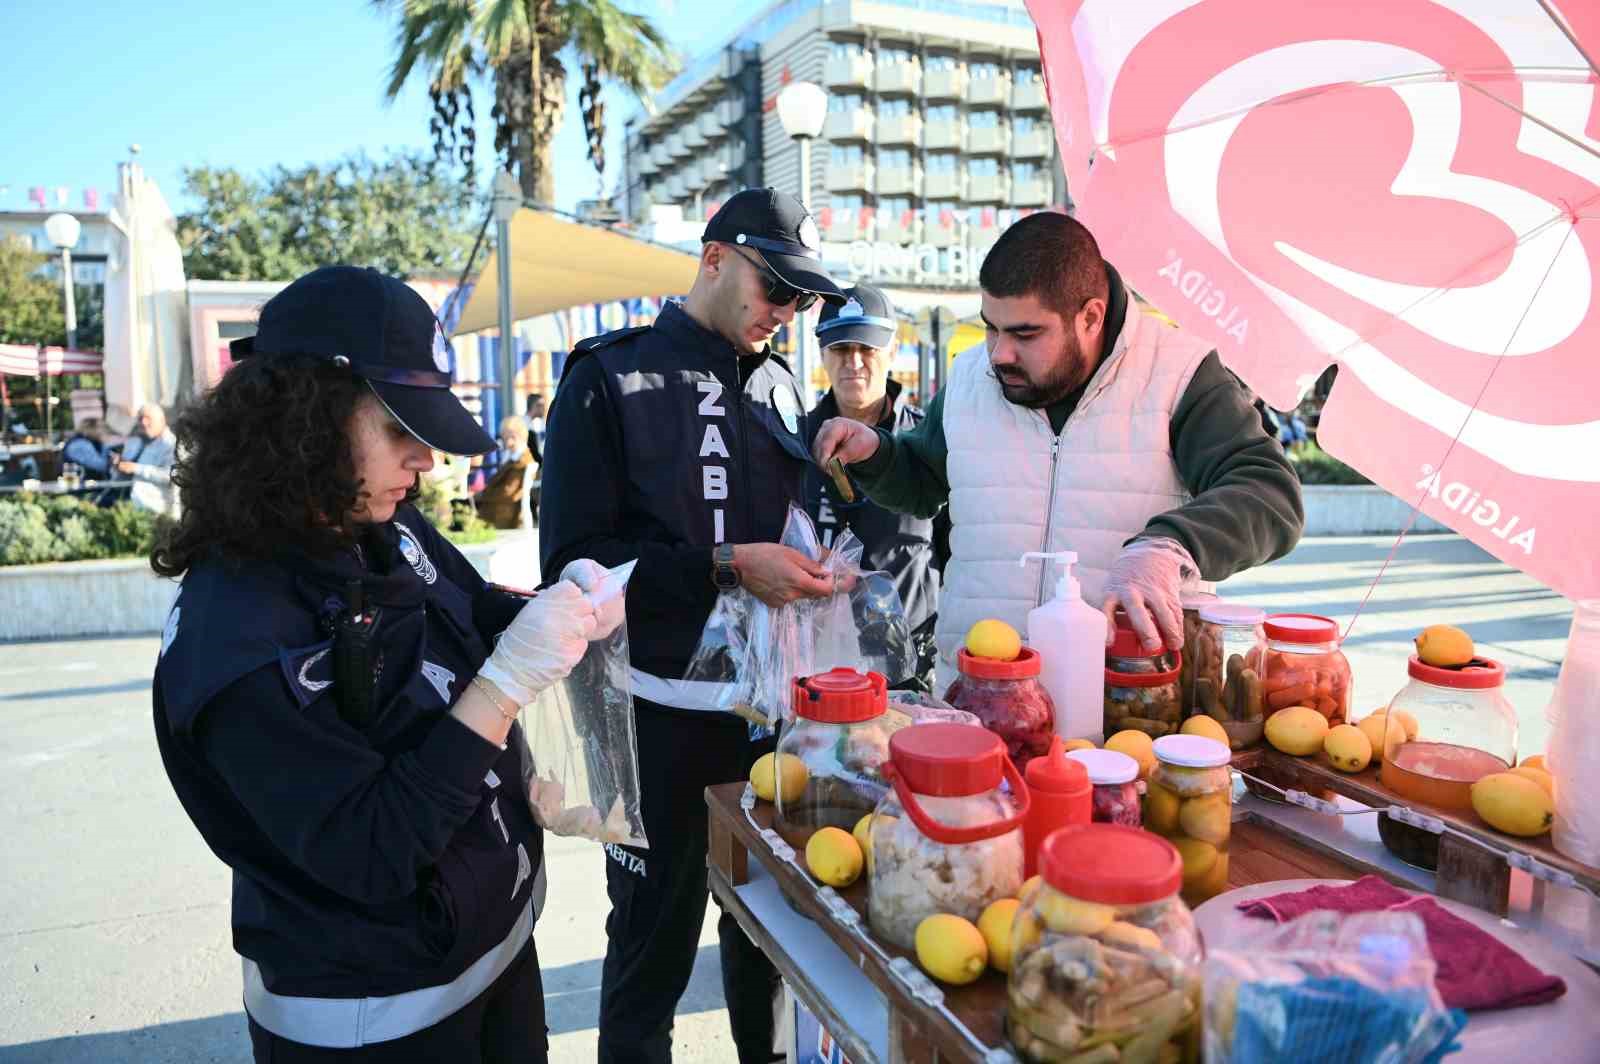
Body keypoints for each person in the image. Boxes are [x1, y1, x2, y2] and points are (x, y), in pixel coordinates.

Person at [150, 266, 604, 1063]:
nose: (425, 460)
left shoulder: (373, 519)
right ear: (305, 423)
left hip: (491, 952)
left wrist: (565, 608)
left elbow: (464, 614)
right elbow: (371, 848)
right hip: (372, 1017)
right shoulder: (236, 639)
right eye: (401, 429)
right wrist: (502, 692)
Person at [539, 187, 847, 1064]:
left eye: (805, 300)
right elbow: (572, 567)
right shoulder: (606, 376)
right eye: (776, 290)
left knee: (770, 948)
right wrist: (722, 565)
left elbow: (792, 533)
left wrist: (826, 564)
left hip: (774, 722)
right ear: (714, 259)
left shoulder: (786, 384)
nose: (787, 315)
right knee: (651, 953)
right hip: (653, 725)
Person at [813, 212, 1303, 687]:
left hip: (1128, 705)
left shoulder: (1178, 374)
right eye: (991, 327)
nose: (999, 353)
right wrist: (876, 454)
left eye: (1026, 334)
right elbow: (922, 480)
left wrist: (1171, 546)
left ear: (1091, 316)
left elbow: (1269, 492)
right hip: (981, 695)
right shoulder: (968, 378)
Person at [802, 283, 945, 691]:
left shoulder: (924, 440)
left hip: (909, 664)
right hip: (817, 663)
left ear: (893, 352)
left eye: (868, 349)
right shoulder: (793, 441)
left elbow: (957, 550)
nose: (855, 362)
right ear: (822, 354)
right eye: (841, 349)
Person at [117, 402, 179, 515]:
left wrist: (136, 468)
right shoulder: (140, 442)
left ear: (161, 420)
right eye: (141, 418)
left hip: (153, 509)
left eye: (148, 418)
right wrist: (119, 465)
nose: (143, 422)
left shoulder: (170, 444)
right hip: (129, 502)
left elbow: (171, 475)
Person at [476, 416, 537, 529]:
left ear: (522, 435)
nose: (508, 440)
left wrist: (483, 495)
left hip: (505, 515)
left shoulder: (523, 460)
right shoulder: (510, 456)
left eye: (512, 436)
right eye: (505, 436)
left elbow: (508, 492)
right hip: (497, 510)